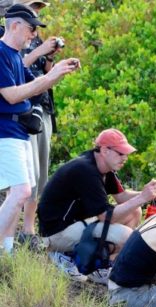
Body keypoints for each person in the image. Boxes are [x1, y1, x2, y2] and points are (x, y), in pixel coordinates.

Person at [0, 3, 78, 256]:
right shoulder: (1, 53)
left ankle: (8, 251)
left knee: (21, 190)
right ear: (15, 25)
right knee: (22, 190)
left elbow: (33, 88)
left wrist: (56, 70)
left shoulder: (14, 55)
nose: (34, 34)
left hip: (19, 129)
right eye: (32, 28)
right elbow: (11, 95)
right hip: (6, 129)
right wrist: (50, 76)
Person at [37, 128, 156, 282]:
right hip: (55, 233)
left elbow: (122, 197)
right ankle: (65, 255)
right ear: (104, 150)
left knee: (134, 211)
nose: (125, 158)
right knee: (127, 237)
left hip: (75, 224)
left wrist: (147, 193)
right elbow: (105, 216)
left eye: (126, 154)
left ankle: (102, 265)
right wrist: (143, 197)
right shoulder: (85, 170)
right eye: (120, 153)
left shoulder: (104, 167)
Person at [16, 0, 63, 248]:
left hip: (42, 109)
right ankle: (21, 229)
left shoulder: (35, 36)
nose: (36, 12)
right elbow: (16, 66)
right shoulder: (10, 36)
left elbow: (45, 76)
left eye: (38, 9)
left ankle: (29, 228)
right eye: (32, 7)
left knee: (41, 170)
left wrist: (49, 59)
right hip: (23, 112)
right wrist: (39, 49)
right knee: (28, 173)